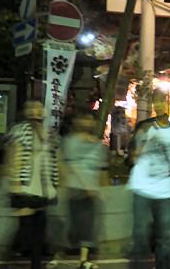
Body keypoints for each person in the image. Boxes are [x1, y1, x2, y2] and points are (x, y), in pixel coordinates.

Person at [128, 89, 170, 269]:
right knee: (140, 235)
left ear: (168, 103)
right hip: (142, 189)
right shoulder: (144, 127)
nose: (160, 104)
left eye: (163, 100)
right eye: (157, 101)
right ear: (154, 105)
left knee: (166, 237)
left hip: (165, 190)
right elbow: (132, 157)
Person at [5, 100, 60, 269]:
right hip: (25, 184)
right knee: (25, 231)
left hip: (43, 186)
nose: (36, 111)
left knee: (39, 230)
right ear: (26, 112)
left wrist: (56, 183)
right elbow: (13, 155)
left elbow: (54, 158)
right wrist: (14, 181)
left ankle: (36, 264)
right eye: (32, 108)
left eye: (39, 108)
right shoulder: (20, 130)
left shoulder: (49, 133)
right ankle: (10, 259)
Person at [62, 114, 109, 269]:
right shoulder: (71, 141)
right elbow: (70, 165)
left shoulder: (97, 143)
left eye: (90, 119)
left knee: (87, 224)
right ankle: (64, 251)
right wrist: (85, 184)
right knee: (77, 226)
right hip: (76, 188)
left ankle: (83, 260)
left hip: (91, 190)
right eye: (84, 119)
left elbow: (101, 168)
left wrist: (101, 186)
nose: (87, 122)